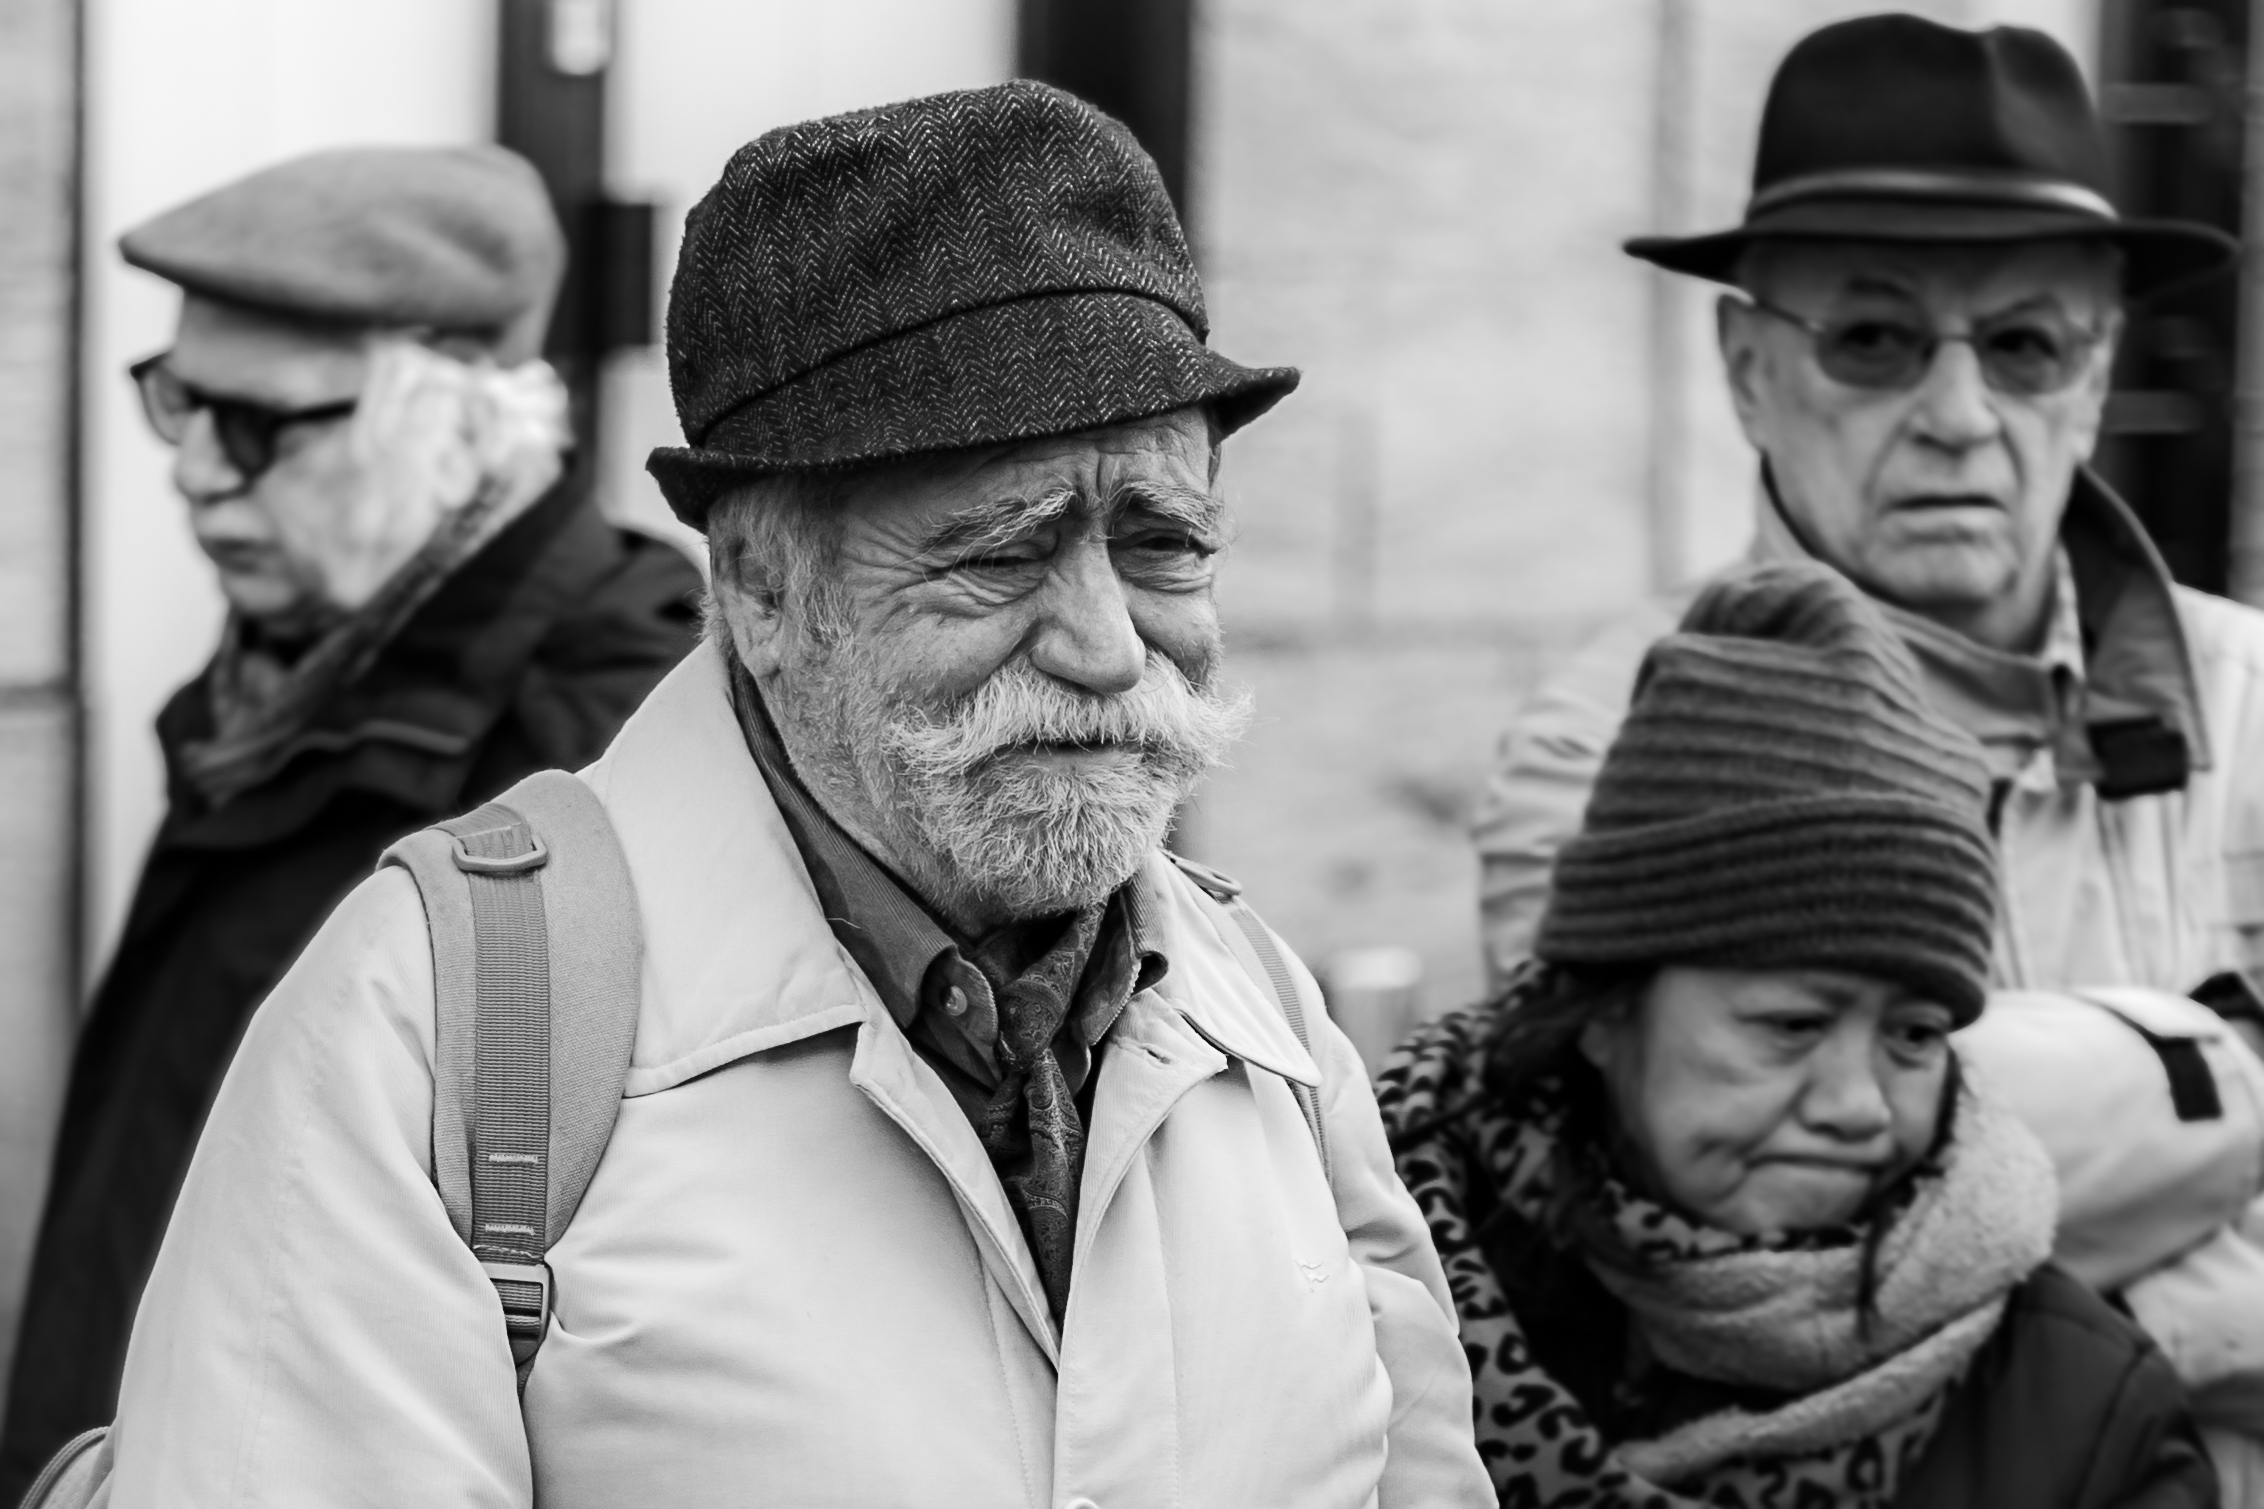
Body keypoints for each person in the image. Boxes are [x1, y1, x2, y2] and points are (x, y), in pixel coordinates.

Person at [90, 83, 1493, 1506]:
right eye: (1001, 555)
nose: (1109, 646)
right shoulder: (436, 1025)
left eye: (1165, 543)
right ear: (761, 584)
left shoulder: (1264, 1011)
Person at [1469, 14, 2264, 1491]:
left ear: (2094, 376)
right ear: (1748, 364)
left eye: (2024, 345)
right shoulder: (1612, 730)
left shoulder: (2260, 700)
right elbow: (1710, 1251)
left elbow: (1851, 1214)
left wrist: (1990, 1225)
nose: (1960, 417)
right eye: (1876, 340)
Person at [0, 145, 702, 1497]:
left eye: (258, 426)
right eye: (178, 404)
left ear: (454, 425)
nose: (197, 473)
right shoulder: (298, 669)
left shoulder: (614, 725)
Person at [1388, 561, 2215, 1507]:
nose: (1859, 1106)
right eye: (1791, 1024)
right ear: (1606, 1010)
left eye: (1913, 1034)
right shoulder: (1372, 1280)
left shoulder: (2083, 1411)